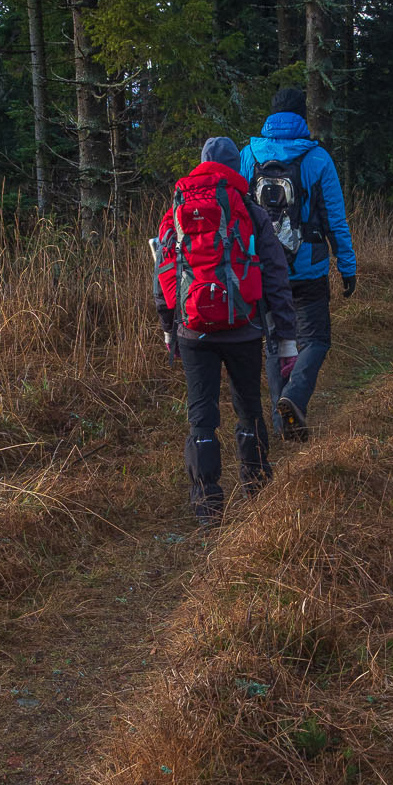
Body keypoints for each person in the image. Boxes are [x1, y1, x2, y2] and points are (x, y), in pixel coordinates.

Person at [154, 136, 298, 526]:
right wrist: (285, 339)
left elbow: (163, 272)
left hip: (192, 330)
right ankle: (257, 489)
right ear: (238, 167)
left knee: (202, 417)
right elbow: (276, 277)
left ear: (201, 163)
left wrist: (170, 327)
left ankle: (207, 506)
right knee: (248, 408)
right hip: (244, 329)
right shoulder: (249, 210)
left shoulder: (177, 208)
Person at [240, 88, 357, 442]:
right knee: (316, 340)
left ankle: (282, 424)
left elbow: (239, 215)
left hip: (264, 269)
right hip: (308, 269)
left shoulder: (248, 155)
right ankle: (294, 398)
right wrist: (347, 267)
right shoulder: (317, 158)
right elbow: (336, 220)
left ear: (271, 115)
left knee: (276, 343)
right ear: (300, 115)